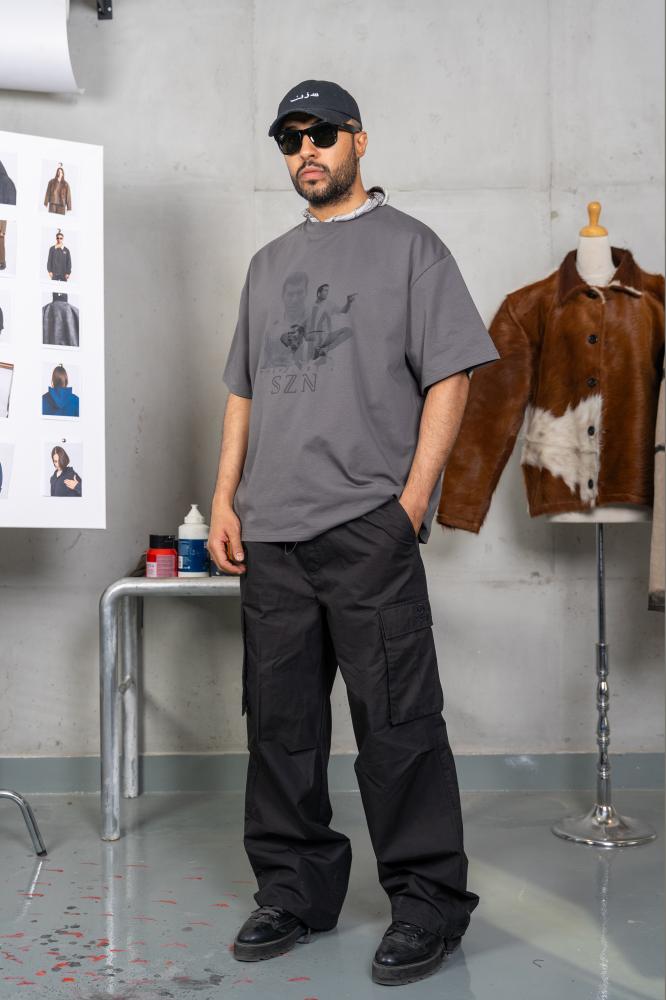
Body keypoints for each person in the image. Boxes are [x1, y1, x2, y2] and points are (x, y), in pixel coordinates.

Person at [209, 79, 500, 987]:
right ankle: (294, 892)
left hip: (368, 527)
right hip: (273, 536)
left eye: (322, 133)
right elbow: (243, 391)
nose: (306, 149)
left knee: (398, 724)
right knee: (280, 728)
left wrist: (410, 503)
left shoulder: (414, 248)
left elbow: (452, 374)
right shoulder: (266, 265)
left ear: (358, 141)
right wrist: (225, 498)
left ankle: (427, 907)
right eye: (290, 137)